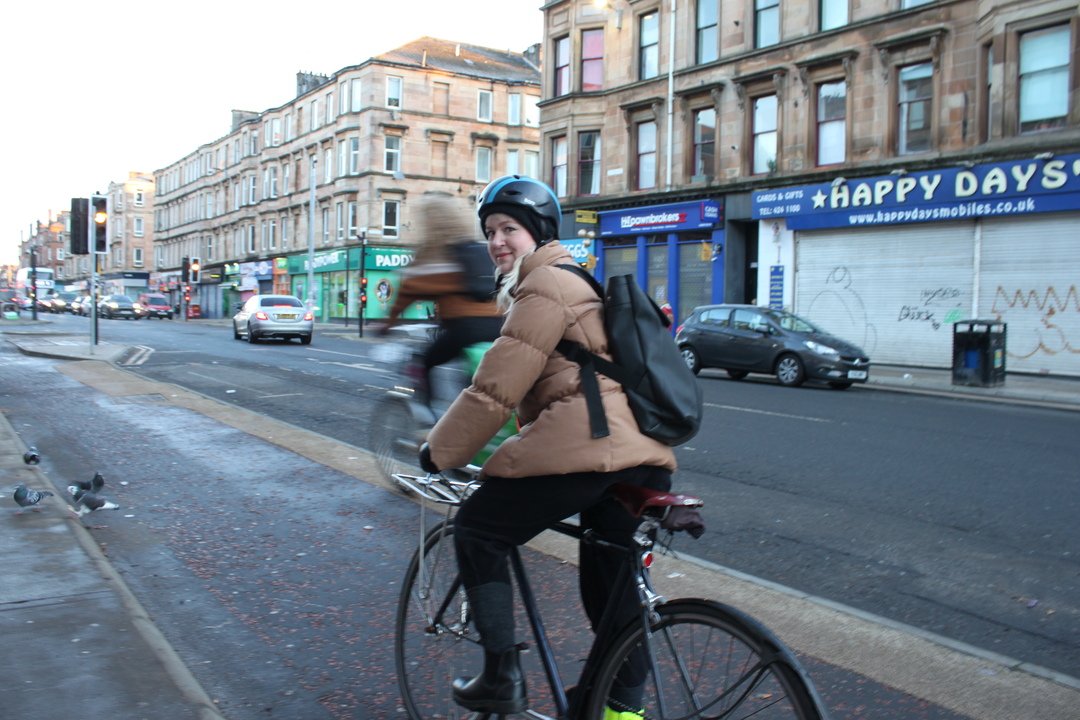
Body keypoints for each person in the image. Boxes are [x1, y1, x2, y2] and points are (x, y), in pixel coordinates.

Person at [419, 176, 677, 718]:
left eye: (509, 229)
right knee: (608, 585)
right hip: (641, 455)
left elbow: (495, 389)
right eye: (490, 231)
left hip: (592, 448)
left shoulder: (545, 287)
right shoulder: (576, 279)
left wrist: (439, 451)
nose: (497, 241)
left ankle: (500, 676)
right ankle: (616, 711)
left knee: (478, 528)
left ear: (538, 233)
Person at [379, 193, 503, 403]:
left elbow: (406, 294)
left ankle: (428, 423)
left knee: (425, 363)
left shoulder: (434, 255)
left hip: (464, 330)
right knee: (474, 376)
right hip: (500, 326)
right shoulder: (478, 250)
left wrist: (386, 325)